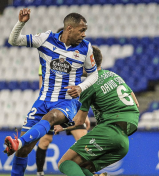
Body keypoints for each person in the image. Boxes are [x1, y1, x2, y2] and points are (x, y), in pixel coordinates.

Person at [4, 8, 98, 176]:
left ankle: (19, 142)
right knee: (23, 151)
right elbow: (14, 40)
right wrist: (21, 23)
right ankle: (21, 145)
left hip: (67, 102)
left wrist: (81, 87)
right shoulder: (46, 39)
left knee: (53, 117)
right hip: (43, 101)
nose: (84, 34)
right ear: (69, 28)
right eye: (82, 30)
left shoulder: (86, 48)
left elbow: (94, 74)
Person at [54, 46, 140, 176]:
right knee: (83, 168)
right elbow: (136, 102)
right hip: (123, 141)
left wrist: (63, 126)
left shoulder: (88, 85)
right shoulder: (114, 76)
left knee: (65, 163)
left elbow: (79, 121)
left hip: (108, 132)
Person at [35, 28, 90, 176]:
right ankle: (39, 173)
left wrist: (84, 115)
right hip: (52, 106)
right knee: (45, 141)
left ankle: (88, 171)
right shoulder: (48, 60)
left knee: (83, 139)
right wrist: (56, 114)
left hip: (71, 106)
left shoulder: (76, 60)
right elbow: (43, 88)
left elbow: (81, 88)